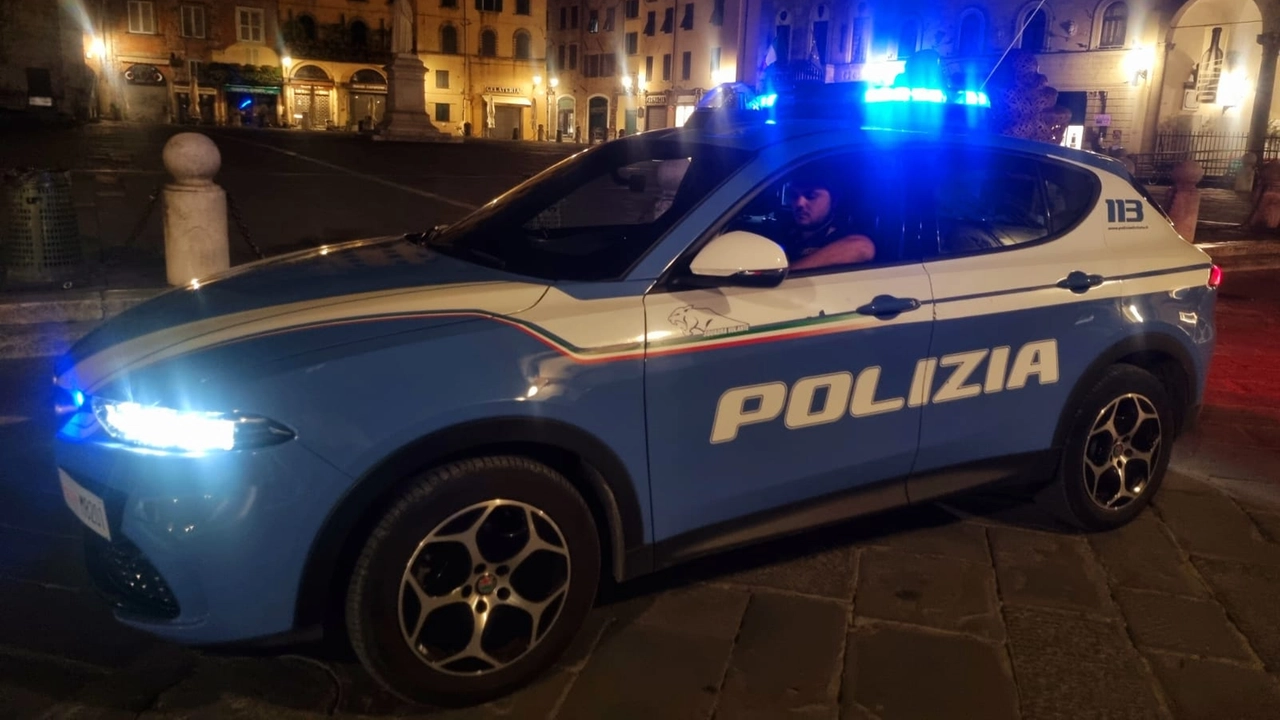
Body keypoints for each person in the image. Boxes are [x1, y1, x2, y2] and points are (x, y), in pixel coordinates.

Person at [780, 174, 876, 270]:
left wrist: (790, 273)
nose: (799, 203)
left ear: (833, 201)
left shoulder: (841, 232)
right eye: (794, 196)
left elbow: (863, 248)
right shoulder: (784, 231)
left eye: (811, 196)